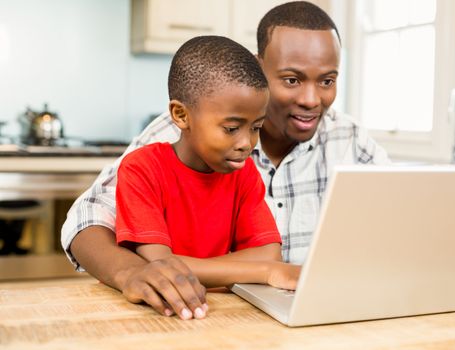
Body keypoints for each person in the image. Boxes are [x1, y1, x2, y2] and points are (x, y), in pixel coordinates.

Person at [61, 1, 389, 319]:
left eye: (327, 81)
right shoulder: (173, 137)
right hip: (187, 314)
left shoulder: (349, 138)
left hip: (292, 312)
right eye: (292, 79)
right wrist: (131, 272)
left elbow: (405, 221)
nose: (310, 99)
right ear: (260, 67)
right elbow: (93, 221)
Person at [114, 35, 299, 320]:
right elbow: (161, 264)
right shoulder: (142, 169)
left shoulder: (244, 172)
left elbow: (267, 254)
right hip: (158, 315)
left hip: (223, 313)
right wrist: (266, 272)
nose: (246, 143)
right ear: (181, 115)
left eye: (256, 128)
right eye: (231, 128)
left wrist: (265, 265)